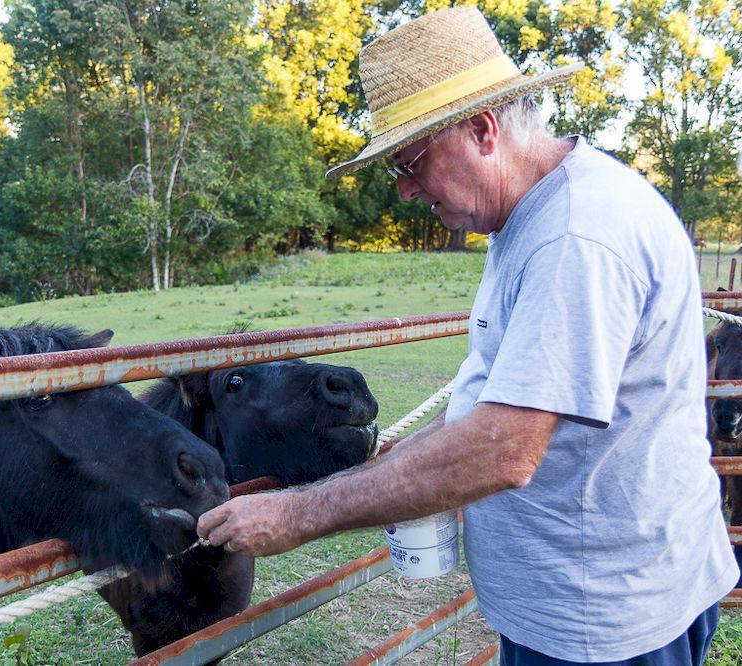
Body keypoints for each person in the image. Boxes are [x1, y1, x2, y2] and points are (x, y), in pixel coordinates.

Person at [197, 6, 739, 665]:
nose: (403, 192)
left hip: (606, 620)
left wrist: (293, 515)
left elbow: (504, 449)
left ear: (482, 130)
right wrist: (404, 457)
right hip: (590, 597)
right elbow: (507, 397)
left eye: (409, 162)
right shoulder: (532, 218)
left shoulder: (576, 236)